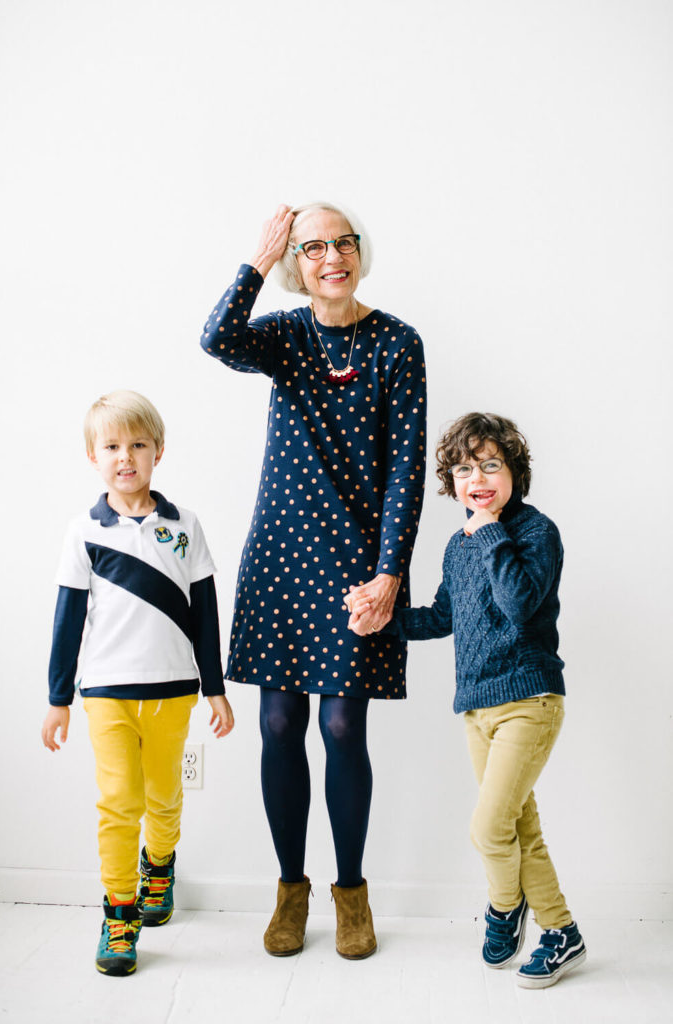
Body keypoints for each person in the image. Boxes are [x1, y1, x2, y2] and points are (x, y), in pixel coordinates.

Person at [200, 202, 426, 958]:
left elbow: (405, 471)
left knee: (340, 726)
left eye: (343, 242)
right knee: (277, 724)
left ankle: (351, 894)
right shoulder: (285, 336)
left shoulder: (397, 343)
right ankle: (290, 889)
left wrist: (390, 571)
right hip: (281, 553)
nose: (332, 256)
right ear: (299, 262)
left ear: (361, 251)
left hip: (357, 562)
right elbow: (216, 339)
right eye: (314, 247)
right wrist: (257, 261)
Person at [348, 412, 586, 989]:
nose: (476, 477)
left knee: (487, 828)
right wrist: (385, 621)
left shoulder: (533, 532)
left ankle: (505, 908)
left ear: (513, 472)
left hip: (530, 699)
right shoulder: (458, 546)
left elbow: (519, 602)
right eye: (462, 469)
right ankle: (561, 933)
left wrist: (490, 530)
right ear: (449, 482)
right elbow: (445, 616)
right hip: (475, 708)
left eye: (489, 465)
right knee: (518, 829)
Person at [41, 390, 234, 977]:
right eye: (112, 446)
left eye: (138, 445)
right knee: (118, 803)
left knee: (163, 797)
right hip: (106, 694)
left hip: (174, 690)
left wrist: (214, 687)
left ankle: (160, 865)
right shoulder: (84, 532)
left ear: (159, 452)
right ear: (93, 457)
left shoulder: (185, 525)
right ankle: (119, 912)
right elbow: (67, 618)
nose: (126, 457)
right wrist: (58, 699)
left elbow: (205, 611)